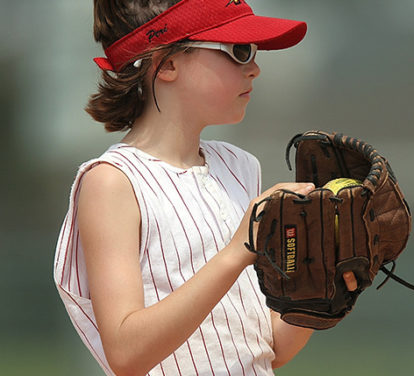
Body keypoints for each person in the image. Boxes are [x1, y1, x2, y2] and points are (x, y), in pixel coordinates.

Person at [52, 0, 357, 375]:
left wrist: (318, 289)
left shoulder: (240, 166)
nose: (255, 68)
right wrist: (237, 252)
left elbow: (268, 349)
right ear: (167, 63)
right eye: (238, 51)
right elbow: (126, 353)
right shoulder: (113, 181)